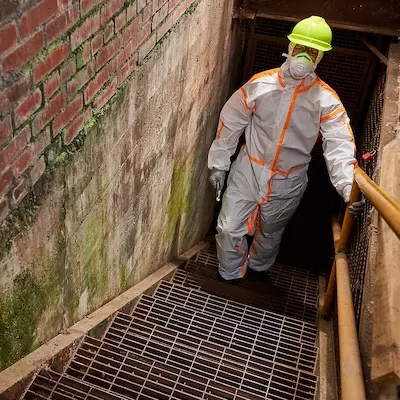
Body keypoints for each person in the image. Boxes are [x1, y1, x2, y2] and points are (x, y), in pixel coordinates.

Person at [208, 16, 364, 283]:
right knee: (228, 227)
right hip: (249, 168)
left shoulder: (326, 101)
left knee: (270, 231)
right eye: (300, 48)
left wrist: (348, 187)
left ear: (320, 58)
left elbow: (339, 145)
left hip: (288, 179)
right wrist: (219, 164)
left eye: (312, 51)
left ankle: (258, 267)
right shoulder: (260, 85)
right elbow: (230, 122)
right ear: (290, 47)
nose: (304, 56)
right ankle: (231, 273)